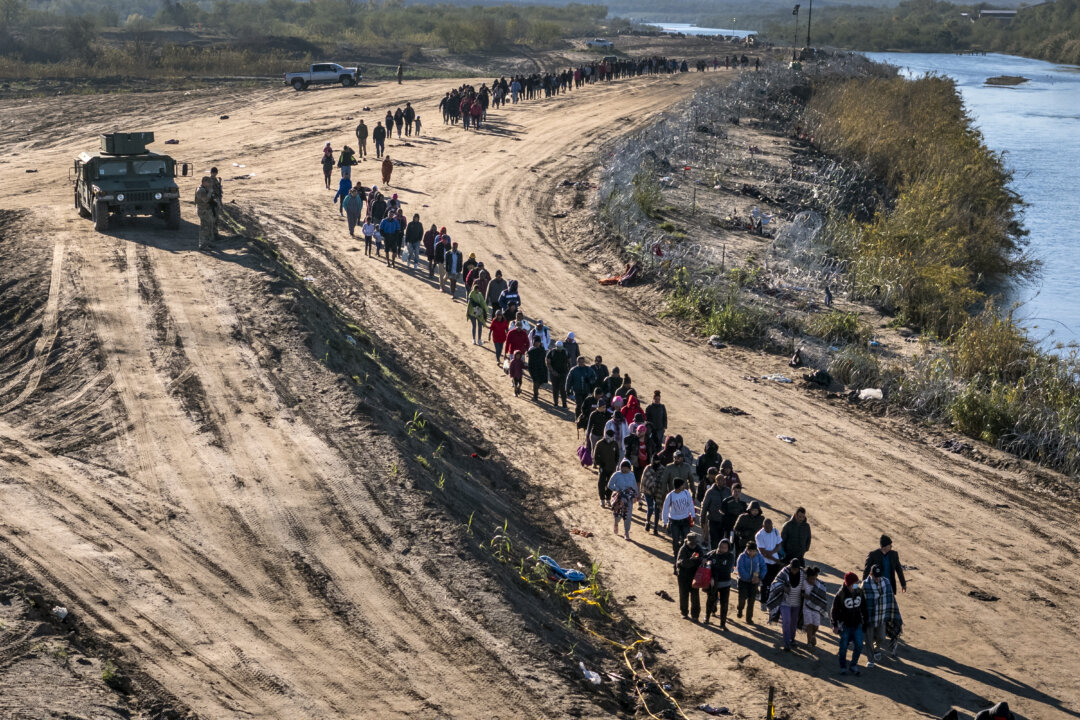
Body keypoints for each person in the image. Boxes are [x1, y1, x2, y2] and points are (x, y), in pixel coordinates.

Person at [862, 564, 901, 666]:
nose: (878, 579)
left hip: (881, 617)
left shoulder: (886, 582)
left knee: (881, 637)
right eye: (876, 576)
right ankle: (870, 660)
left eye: (879, 576)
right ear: (871, 574)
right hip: (869, 618)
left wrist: (892, 615)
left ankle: (877, 648)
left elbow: (890, 599)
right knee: (868, 640)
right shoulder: (864, 585)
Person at [832, 572, 869, 676]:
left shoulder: (859, 590)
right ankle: (843, 667)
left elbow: (863, 606)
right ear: (849, 584)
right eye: (855, 583)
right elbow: (834, 610)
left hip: (857, 624)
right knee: (843, 647)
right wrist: (834, 624)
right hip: (845, 626)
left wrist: (865, 621)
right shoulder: (841, 594)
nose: (857, 584)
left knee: (859, 645)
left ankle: (853, 665)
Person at [767, 557, 805, 651]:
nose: (794, 571)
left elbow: (808, 586)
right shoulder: (784, 572)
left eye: (795, 569)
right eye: (792, 569)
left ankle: (792, 639)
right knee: (786, 621)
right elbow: (775, 583)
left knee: (793, 623)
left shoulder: (803, 574)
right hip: (785, 602)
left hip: (797, 603)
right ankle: (787, 642)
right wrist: (783, 587)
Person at [662, 477, 696, 571]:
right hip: (674, 521)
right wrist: (664, 521)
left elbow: (690, 504)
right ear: (678, 486)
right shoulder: (670, 496)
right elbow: (665, 509)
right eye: (682, 485)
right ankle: (676, 561)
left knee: (687, 540)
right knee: (675, 541)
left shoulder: (686, 493)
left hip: (685, 520)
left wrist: (693, 515)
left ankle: (686, 560)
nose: (684, 486)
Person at [704, 537, 735, 629]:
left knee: (724, 603)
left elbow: (726, 569)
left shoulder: (730, 556)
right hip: (713, 583)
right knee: (710, 600)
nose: (722, 549)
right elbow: (704, 559)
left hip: (725, 583)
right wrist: (705, 562)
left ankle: (723, 623)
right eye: (721, 547)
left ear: (728, 548)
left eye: (725, 547)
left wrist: (713, 570)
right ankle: (707, 617)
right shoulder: (713, 554)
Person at [675, 533, 704, 622]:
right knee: (684, 594)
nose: (693, 545)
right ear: (687, 542)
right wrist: (692, 560)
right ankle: (684, 612)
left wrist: (700, 560)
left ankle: (695, 615)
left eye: (694, 543)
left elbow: (702, 560)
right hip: (683, 576)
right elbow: (681, 563)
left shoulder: (699, 549)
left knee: (695, 596)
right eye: (691, 543)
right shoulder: (683, 549)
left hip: (694, 576)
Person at [735, 540, 766, 624]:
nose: (752, 553)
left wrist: (759, 578)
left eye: (754, 551)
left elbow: (763, 567)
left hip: (754, 583)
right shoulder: (742, 557)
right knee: (742, 598)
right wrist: (749, 578)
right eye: (750, 551)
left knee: (751, 601)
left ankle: (749, 618)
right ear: (747, 549)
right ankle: (740, 609)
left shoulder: (759, 557)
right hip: (743, 581)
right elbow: (740, 569)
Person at [755, 518, 783, 609]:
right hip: (765, 563)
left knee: (774, 583)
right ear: (763, 526)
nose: (769, 528)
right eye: (766, 527)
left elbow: (779, 545)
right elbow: (763, 553)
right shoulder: (759, 535)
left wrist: (773, 552)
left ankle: (771, 602)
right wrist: (776, 560)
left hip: (775, 563)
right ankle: (763, 601)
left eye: (770, 526)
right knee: (765, 583)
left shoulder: (775, 531)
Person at [607, 459, 638, 540]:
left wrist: (637, 495)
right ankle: (616, 523)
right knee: (618, 514)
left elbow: (634, 486)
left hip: (629, 498)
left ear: (629, 468)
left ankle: (626, 532)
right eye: (623, 468)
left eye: (626, 468)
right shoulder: (616, 474)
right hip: (619, 498)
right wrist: (617, 489)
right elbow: (609, 485)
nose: (624, 470)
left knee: (628, 515)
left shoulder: (632, 475)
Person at [802, 566, 829, 649]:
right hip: (807, 607)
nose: (812, 581)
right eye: (811, 579)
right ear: (807, 577)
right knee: (809, 625)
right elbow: (801, 593)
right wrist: (806, 596)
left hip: (816, 608)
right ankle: (809, 641)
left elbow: (822, 596)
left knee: (816, 625)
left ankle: (813, 635)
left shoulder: (820, 584)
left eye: (814, 579)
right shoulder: (804, 583)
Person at [639, 455, 667, 534]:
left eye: (658, 462)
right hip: (648, 492)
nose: (656, 463)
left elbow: (664, 480)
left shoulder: (662, 469)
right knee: (650, 508)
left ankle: (655, 528)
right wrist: (651, 486)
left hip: (658, 492)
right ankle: (647, 521)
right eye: (655, 462)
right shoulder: (648, 468)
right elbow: (644, 480)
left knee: (657, 510)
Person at [700, 470, 727, 549]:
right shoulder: (710, 492)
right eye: (721, 480)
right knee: (713, 540)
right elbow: (704, 506)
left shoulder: (728, 491)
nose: (723, 481)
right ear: (717, 481)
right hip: (713, 520)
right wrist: (702, 519)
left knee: (721, 540)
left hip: (723, 521)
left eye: (724, 480)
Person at [593, 428, 620, 508]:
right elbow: (595, 456)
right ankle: (602, 499)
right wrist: (600, 464)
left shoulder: (615, 444)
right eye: (608, 437)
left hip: (611, 468)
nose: (609, 439)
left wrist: (615, 464)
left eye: (611, 437)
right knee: (601, 483)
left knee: (610, 484)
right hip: (603, 467)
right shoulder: (600, 444)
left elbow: (617, 455)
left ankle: (608, 498)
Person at [546, 340, 570, 408]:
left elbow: (569, 361)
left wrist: (568, 371)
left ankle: (564, 404)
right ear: (556, 346)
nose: (559, 349)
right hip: (554, 374)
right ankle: (555, 403)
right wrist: (553, 371)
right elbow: (548, 363)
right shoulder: (551, 352)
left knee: (563, 389)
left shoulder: (565, 352)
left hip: (563, 373)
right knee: (555, 388)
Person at [194, 176, 215, 250]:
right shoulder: (201, 190)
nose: (209, 184)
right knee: (204, 228)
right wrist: (209, 192)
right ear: (204, 182)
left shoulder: (204, 189)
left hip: (206, 210)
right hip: (203, 211)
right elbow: (206, 200)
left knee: (209, 226)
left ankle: (207, 243)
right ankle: (202, 245)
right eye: (208, 182)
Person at [527, 335, 548, 402]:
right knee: (535, 382)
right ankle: (535, 396)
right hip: (533, 369)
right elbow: (530, 361)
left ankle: (536, 393)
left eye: (538, 342)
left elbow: (544, 357)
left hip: (541, 368)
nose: (536, 343)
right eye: (535, 342)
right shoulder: (532, 350)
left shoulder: (542, 349)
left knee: (541, 382)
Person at [466, 281, 488, 346]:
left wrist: (485, 310)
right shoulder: (471, 294)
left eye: (478, 289)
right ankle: (474, 339)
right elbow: (470, 304)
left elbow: (483, 303)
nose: (477, 290)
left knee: (480, 326)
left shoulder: (480, 295)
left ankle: (479, 339)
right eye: (476, 289)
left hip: (479, 313)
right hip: (472, 313)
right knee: (474, 326)